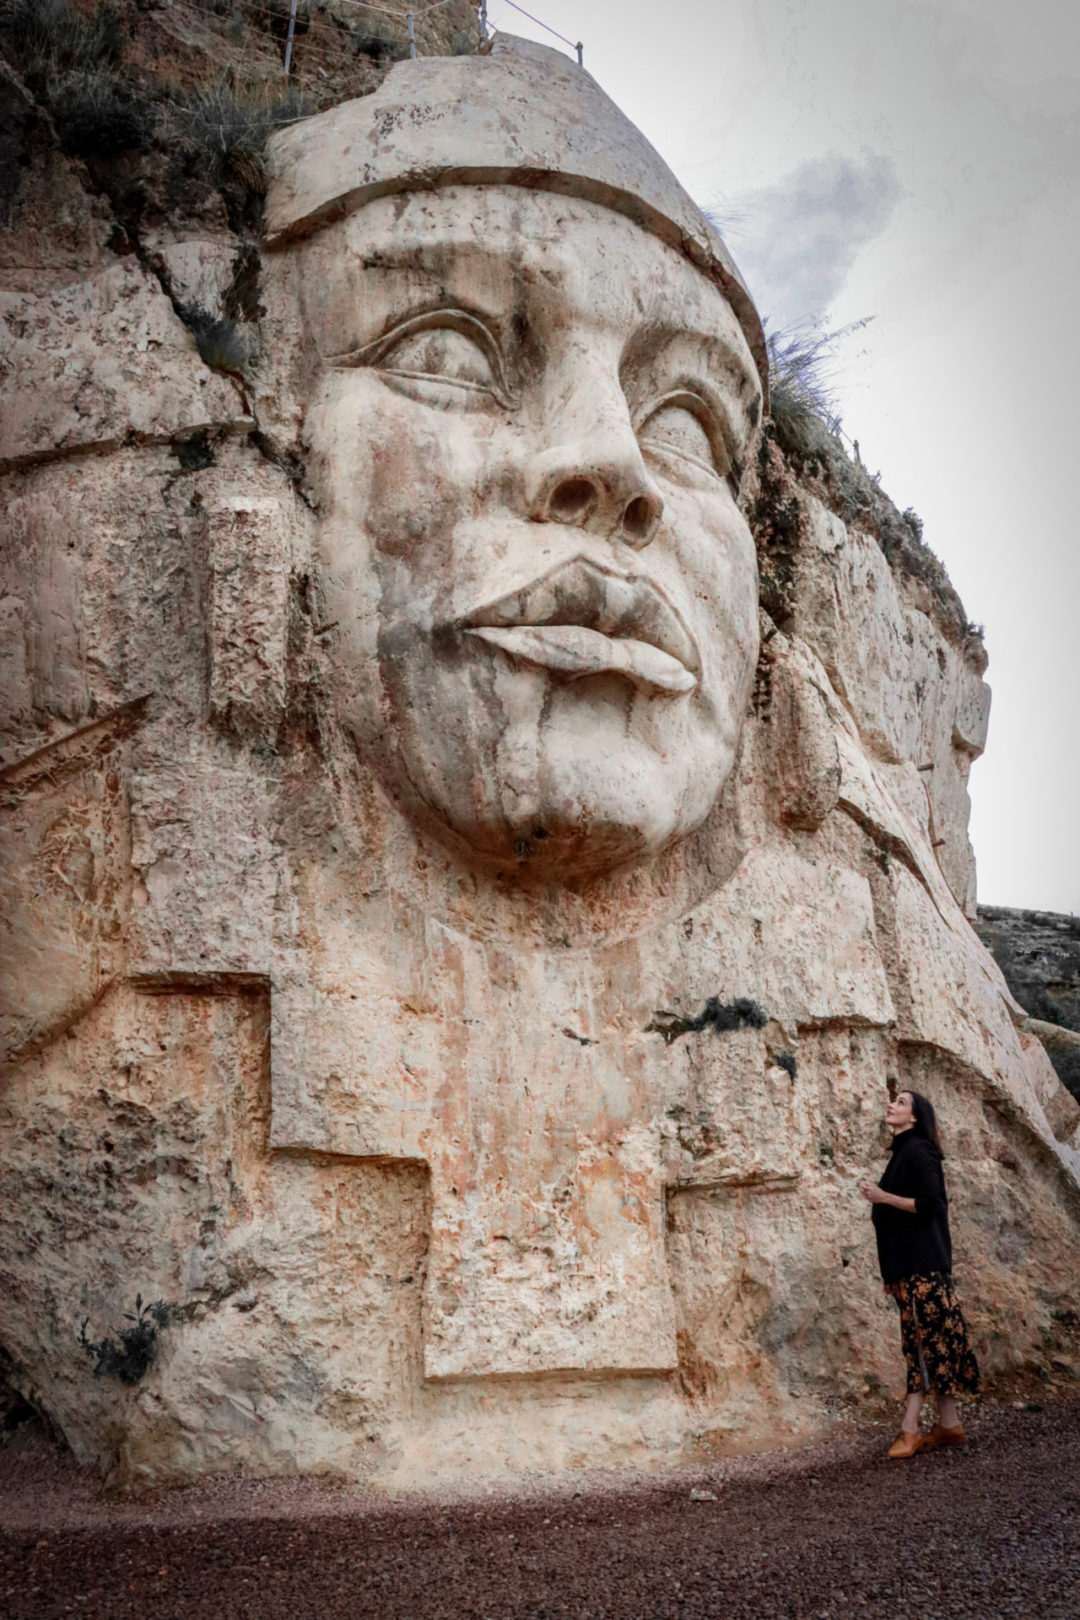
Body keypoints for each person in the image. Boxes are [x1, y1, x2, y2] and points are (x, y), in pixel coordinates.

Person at [860, 1086, 980, 1458]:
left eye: (900, 1102)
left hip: (923, 1272)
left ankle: (909, 1430)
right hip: (910, 1272)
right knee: (935, 1344)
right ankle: (949, 1424)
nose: (891, 1105)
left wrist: (883, 1197)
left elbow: (932, 1205)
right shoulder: (903, 1154)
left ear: (914, 1116)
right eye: (893, 1100)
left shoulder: (919, 1151)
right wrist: (890, 1276)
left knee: (921, 1349)